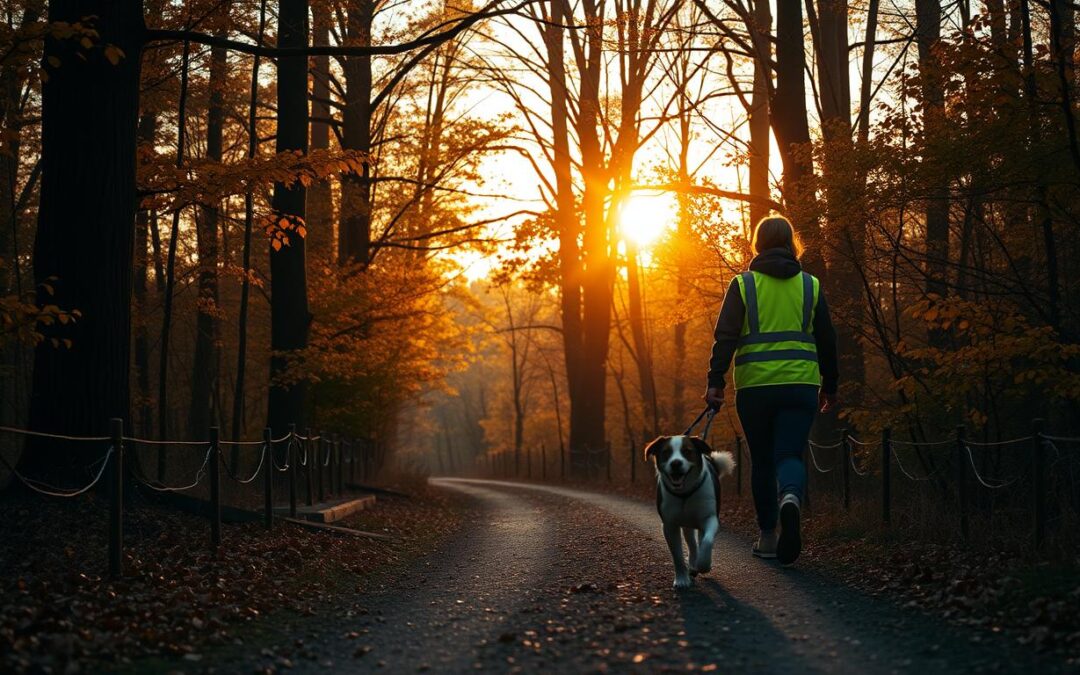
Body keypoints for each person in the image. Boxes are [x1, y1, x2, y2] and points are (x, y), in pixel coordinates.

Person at [703, 215, 838, 566]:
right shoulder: (810, 285)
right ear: (793, 243)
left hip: (756, 387)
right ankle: (790, 497)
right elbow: (827, 339)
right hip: (801, 385)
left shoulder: (744, 285)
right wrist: (830, 385)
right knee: (789, 455)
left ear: (757, 244)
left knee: (762, 461)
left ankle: (767, 537)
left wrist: (715, 381)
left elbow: (725, 336)